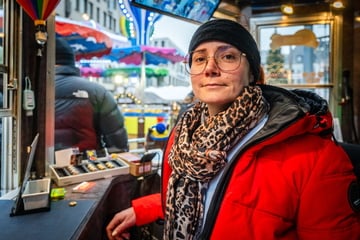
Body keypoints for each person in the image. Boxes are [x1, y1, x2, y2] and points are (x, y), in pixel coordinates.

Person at [106, 19, 360, 239]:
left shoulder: (318, 158)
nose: (210, 68)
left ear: (255, 75)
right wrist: (145, 209)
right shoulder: (183, 137)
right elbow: (207, 198)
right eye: (199, 58)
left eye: (228, 56)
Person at [55, 38, 128, 154]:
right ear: (71, 61)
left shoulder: (30, 90)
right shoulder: (98, 92)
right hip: (85, 167)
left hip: (35, 168)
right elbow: (119, 147)